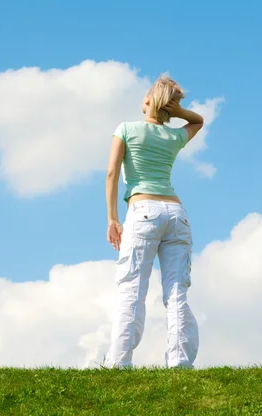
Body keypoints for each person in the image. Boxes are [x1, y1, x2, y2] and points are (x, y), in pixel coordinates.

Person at [104, 74, 204, 369]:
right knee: (176, 291)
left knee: (132, 286)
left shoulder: (125, 129)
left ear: (147, 101)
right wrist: (179, 112)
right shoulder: (173, 137)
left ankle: (119, 362)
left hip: (143, 210)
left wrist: (112, 219)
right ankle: (180, 363)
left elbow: (111, 174)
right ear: (169, 106)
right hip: (176, 214)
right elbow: (197, 121)